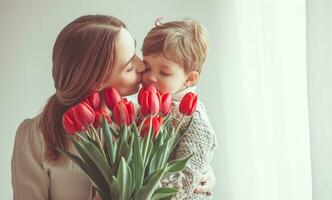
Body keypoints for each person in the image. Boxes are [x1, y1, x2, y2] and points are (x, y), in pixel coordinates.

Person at [11, 15, 214, 200]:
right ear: (96, 83)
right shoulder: (35, 135)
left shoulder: (141, 118)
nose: (142, 66)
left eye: (136, 53)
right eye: (128, 65)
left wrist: (204, 174)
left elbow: (181, 162)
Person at [141, 19, 217, 199]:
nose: (151, 77)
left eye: (164, 72)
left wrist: (138, 193)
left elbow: (186, 178)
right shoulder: (149, 104)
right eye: (147, 67)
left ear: (189, 79)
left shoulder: (195, 121)